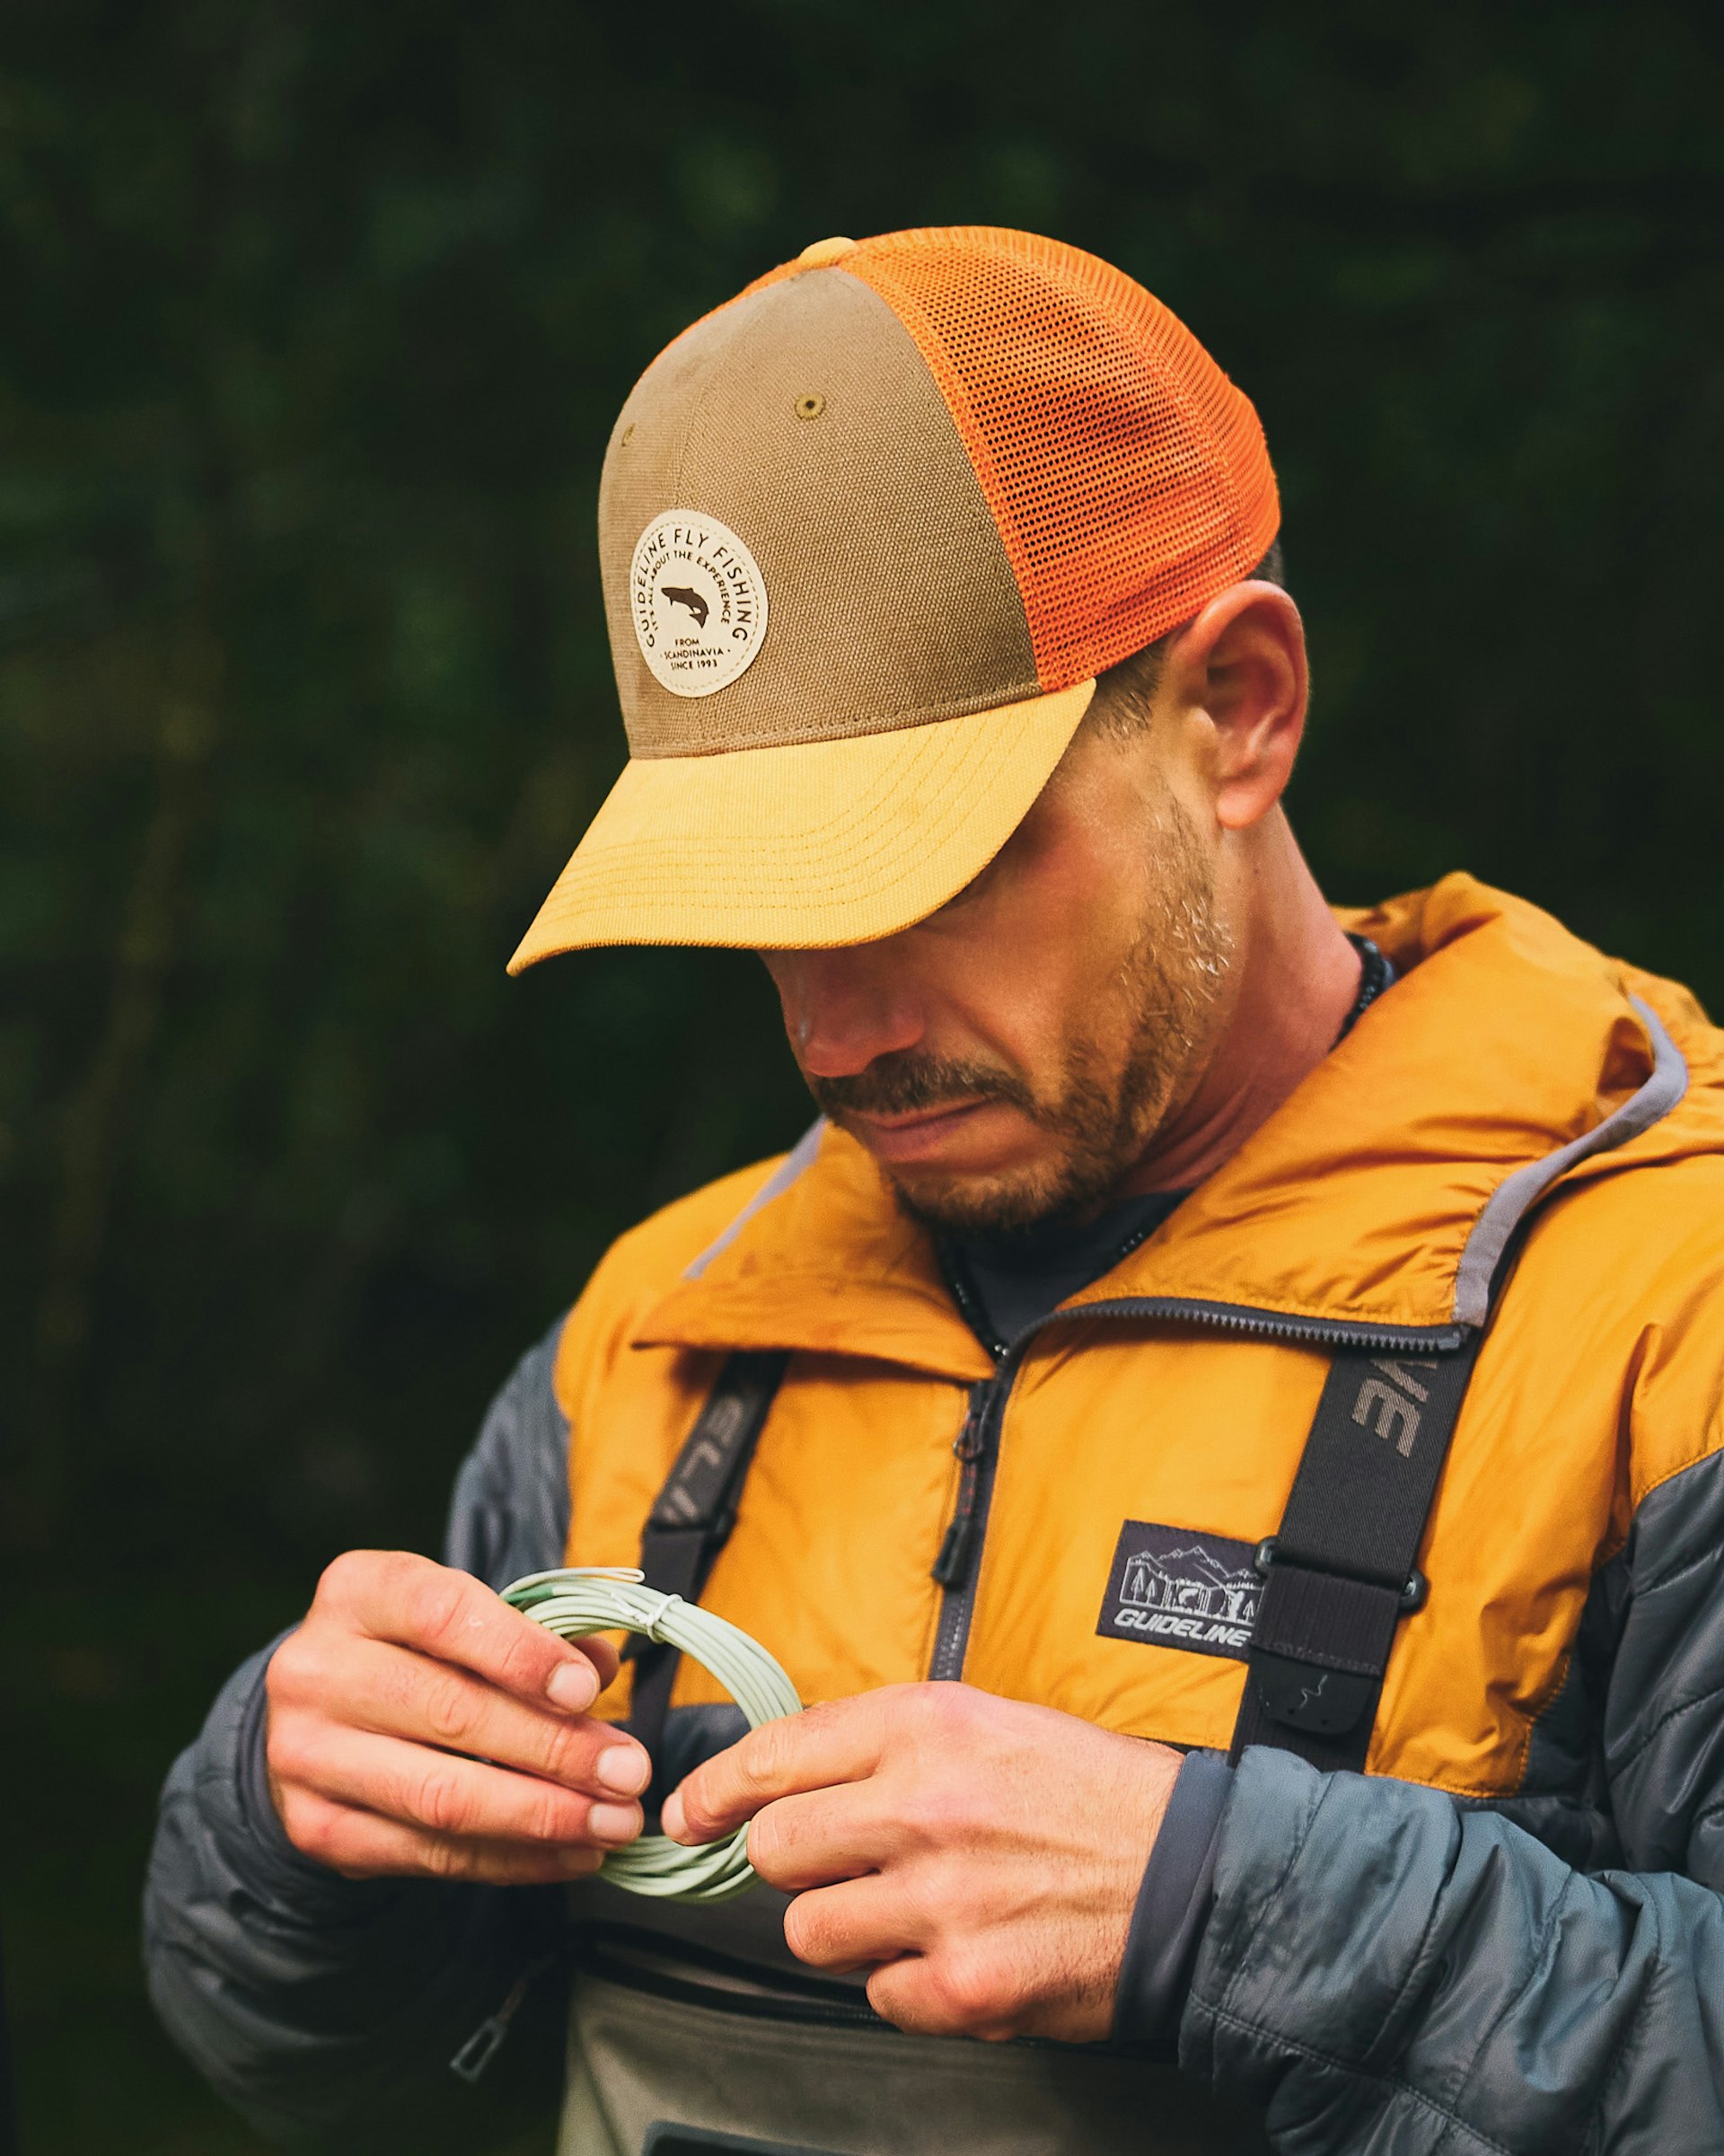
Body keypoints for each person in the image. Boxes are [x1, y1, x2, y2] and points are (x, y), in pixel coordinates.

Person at [145, 227, 1724, 2156]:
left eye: (928, 876)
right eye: (756, 906)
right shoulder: (660, 1332)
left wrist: (1234, 1905)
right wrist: (284, 1831)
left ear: (1238, 707)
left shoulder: (1671, 1322)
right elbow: (330, 2071)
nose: (836, 1033)